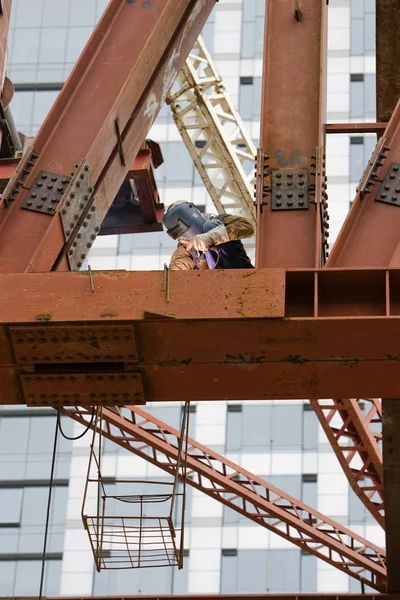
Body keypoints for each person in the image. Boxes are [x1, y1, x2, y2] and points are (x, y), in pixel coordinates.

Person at [163, 201, 254, 270]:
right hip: (216, 285)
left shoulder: (220, 220)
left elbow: (247, 227)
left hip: (237, 269)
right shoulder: (186, 248)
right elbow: (178, 268)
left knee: (210, 226)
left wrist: (210, 237)